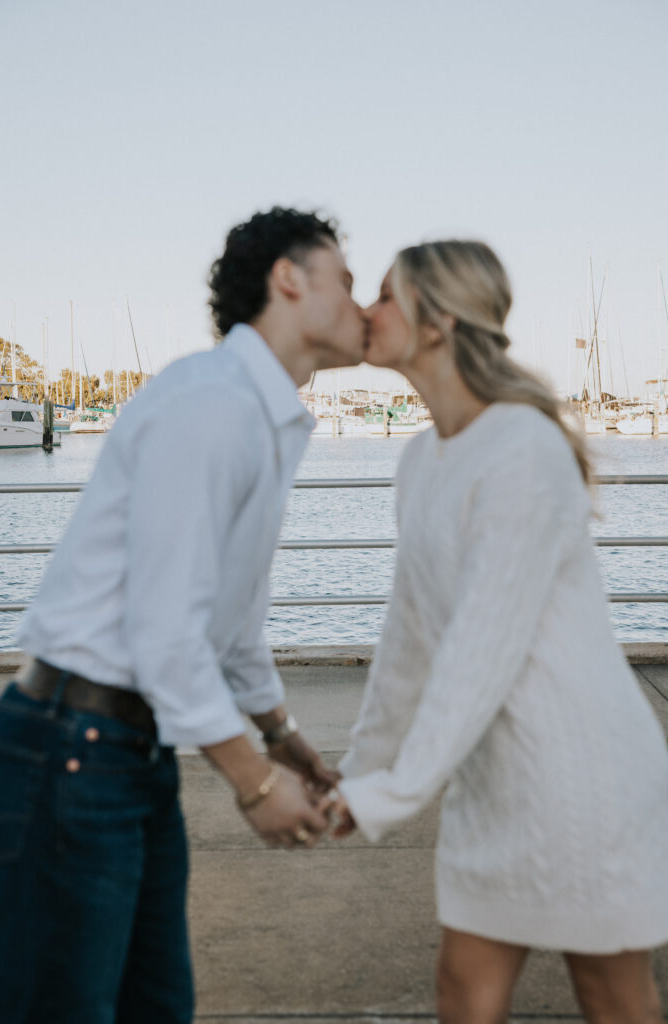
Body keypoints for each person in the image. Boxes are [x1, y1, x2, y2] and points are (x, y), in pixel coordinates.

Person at [0, 207, 366, 1024]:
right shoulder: (214, 404)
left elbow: (227, 623)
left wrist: (280, 736)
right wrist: (255, 784)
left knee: (157, 1007)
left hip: (125, 752)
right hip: (67, 751)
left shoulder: (264, 416)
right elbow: (164, 632)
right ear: (288, 279)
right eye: (346, 279)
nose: (360, 304)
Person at [325, 240, 668, 1023]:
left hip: (585, 779)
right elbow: (409, 640)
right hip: (493, 783)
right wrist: (359, 772)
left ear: (437, 322)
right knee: (461, 992)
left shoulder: (523, 448)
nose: (365, 312)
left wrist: (391, 793)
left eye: (383, 296)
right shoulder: (419, 459)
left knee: (609, 996)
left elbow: (479, 651)